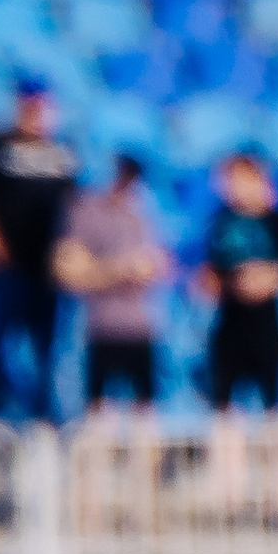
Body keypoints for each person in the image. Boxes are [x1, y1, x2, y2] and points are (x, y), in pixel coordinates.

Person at [0, 77, 78, 422]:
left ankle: (46, 415)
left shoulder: (63, 153)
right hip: (9, 267)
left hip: (49, 270)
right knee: (1, 343)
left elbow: (75, 207)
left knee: (48, 346)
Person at [54, 153, 168, 410]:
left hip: (142, 328)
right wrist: (120, 269)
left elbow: (160, 265)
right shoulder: (83, 212)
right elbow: (69, 272)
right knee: (97, 414)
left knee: (145, 413)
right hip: (97, 329)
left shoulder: (143, 212)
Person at [199, 151, 278, 412]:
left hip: (267, 323)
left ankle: (277, 451)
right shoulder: (219, 221)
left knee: (274, 404)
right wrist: (226, 283)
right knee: (223, 404)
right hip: (229, 322)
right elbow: (205, 272)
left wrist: (272, 276)